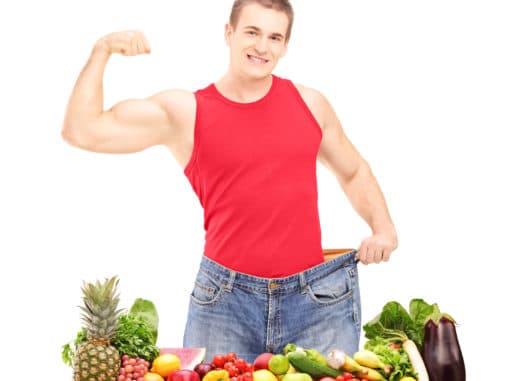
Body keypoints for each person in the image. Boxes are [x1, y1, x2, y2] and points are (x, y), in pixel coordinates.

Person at [62, 0, 397, 363]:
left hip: (316, 302)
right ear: (229, 33)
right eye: (252, 32)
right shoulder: (186, 112)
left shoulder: (310, 105)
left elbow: (353, 171)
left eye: (274, 37)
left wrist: (383, 228)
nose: (262, 47)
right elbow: (81, 131)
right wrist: (102, 51)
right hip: (225, 303)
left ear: (285, 46)